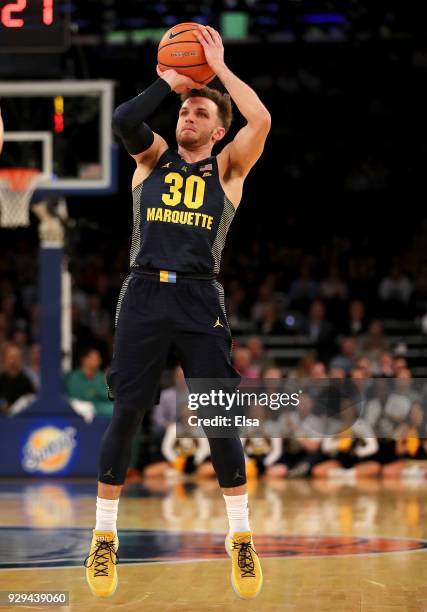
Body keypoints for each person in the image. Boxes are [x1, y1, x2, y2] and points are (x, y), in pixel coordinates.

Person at [84, 25, 270, 600]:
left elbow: (259, 120)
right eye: (183, 110)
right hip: (144, 293)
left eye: (197, 112)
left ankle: (239, 538)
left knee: (219, 417)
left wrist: (219, 70)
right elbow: (122, 121)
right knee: (128, 412)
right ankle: (104, 537)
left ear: (218, 130)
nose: (185, 116)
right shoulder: (154, 158)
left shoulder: (230, 169)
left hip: (198, 296)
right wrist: (171, 81)